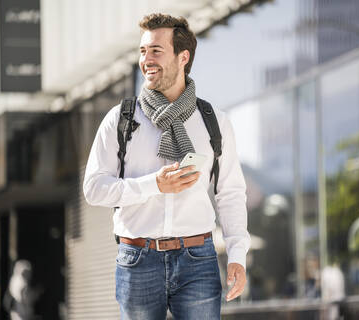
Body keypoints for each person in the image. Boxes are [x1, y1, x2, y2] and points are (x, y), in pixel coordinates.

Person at [83, 13, 250, 320]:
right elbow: (93, 189)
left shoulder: (215, 122)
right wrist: (153, 185)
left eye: (156, 51)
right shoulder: (121, 119)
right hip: (137, 259)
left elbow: (231, 193)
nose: (146, 59)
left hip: (198, 259)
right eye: (142, 51)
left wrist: (237, 254)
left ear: (182, 57)